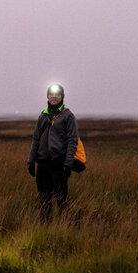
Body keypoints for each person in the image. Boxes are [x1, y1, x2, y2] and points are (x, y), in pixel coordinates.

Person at [27, 84, 79, 223]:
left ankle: (64, 229)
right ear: (47, 96)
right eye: (51, 94)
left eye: (57, 94)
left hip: (59, 164)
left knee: (61, 201)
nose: (54, 97)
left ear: (62, 97)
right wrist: (31, 161)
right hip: (43, 164)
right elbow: (35, 139)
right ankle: (46, 229)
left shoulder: (68, 116)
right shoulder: (42, 116)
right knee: (44, 201)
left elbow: (73, 141)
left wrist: (68, 164)